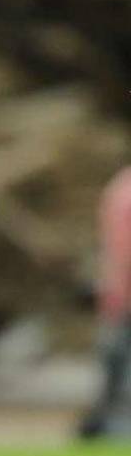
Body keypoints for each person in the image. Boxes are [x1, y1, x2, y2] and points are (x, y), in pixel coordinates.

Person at [79, 169, 131, 438]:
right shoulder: (125, 191)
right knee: (118, 373)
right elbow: (122, 251)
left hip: (118, 299)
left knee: (115, 375)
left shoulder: (121, 187)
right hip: (122, 301)